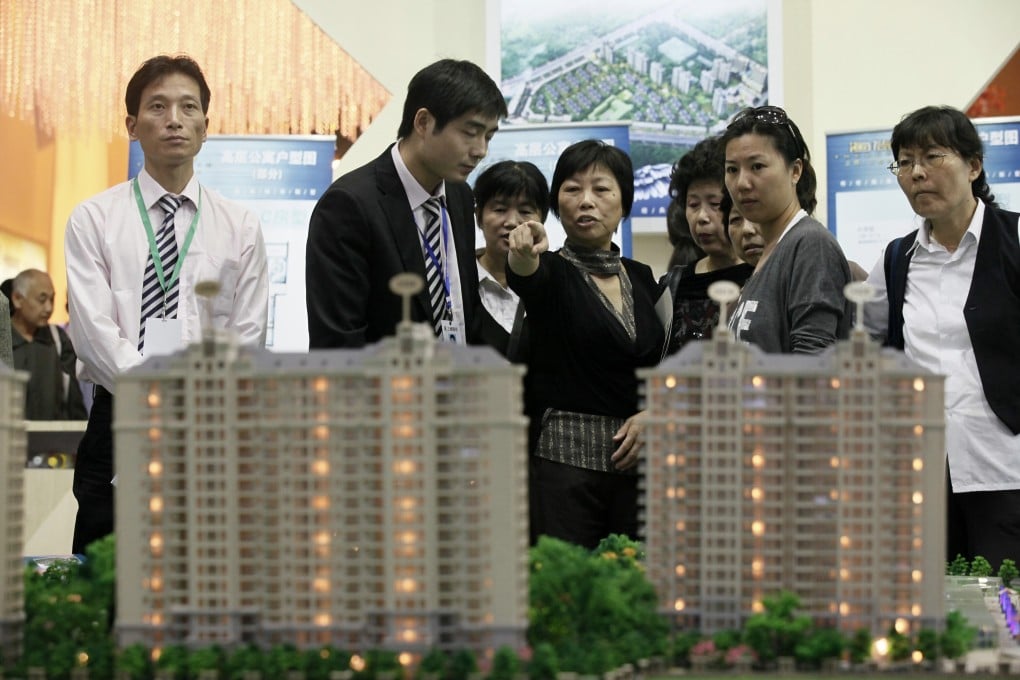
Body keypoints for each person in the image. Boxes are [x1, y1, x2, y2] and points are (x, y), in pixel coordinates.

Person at [64, 55, 269, 554]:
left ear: (206, 125)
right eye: (157, 106)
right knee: (105, 584)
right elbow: (92, 333)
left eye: (187, 107)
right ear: (132, 125)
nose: (174, 119)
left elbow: (247, 336)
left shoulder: (239, 226)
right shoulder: (94, 219)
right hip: (120, 420)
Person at [863, 105, 1020, 570]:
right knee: (934, 602)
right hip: (921, 472)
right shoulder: (896, 259)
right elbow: (863, 339)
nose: (917, 173)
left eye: (932, 157)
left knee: (1006, 607)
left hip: (1004, 466)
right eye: (905, 162)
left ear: (973, 166)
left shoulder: (1015, 237)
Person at [506, 140, 665, 549]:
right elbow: (525, 275)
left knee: (632, 588)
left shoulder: (643, 278)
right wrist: (523, 249)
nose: (586, 201)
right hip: (564, 471)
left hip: (637, 471)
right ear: (557, 204)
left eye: (601, 189)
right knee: (567, 591)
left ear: (624, 204)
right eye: (572, 190)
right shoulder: (552, 270)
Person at [305, 59, 507, 349]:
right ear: (423, 122)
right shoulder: (349, 206)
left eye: (488, 136)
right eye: (470, 132)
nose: (480, 151)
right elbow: (338, 343)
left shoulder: (460, 195)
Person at [723, 105, 852, 353]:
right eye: (732, 169)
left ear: (795, 171)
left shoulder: (810, 244)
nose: (742, 183)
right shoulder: (770, 252)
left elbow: (811, 364)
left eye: (757, 166)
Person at [660, 137, 753, 354]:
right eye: (693, 204)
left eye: (714, 204)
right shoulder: (674, 285)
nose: (702, 217)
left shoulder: (762, 275)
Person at [472, 160, 549, 359]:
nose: (512, 222)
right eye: (499, 209)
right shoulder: (456, 280)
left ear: (542, 219)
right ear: (479, 216)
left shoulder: (555, 282)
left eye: (525, 211)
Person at [9, 269, 87, 420]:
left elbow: (73, 400)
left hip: (51, 440)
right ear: (17, 299)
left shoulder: (58, 339)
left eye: (52, 299)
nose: (49, 308)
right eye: (42, 299)